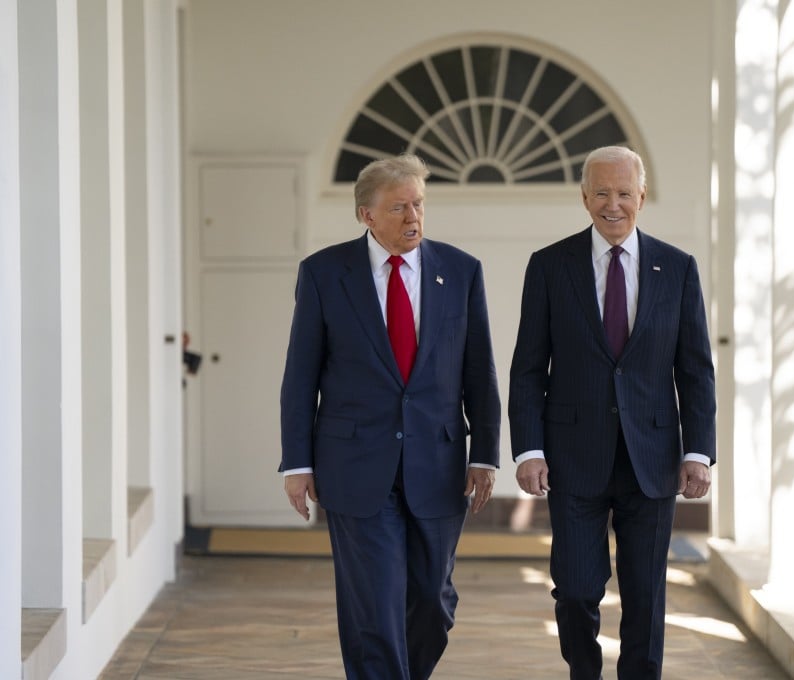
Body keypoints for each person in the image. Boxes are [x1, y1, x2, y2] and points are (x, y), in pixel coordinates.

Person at [279, 153, 501, 680]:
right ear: (366, 215)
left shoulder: (461, 271)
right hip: (354, 466)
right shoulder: (324, 274)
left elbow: (480, 372)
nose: (413, 218)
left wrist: (486, 454)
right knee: (375, 610)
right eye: (399, 207)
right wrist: (296, 463)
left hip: (439, 463)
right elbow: (300, 375)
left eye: (419, 204)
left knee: (432, 603)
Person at [509, 146, 716, 679]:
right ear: (584, 198)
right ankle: (585, 672)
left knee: (646, 597)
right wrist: (529, 448)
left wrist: (699, 452)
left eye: (624, 193)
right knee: (576, 589)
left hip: (653, 457)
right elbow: (529, 367)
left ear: (642, 197)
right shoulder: (550, 266)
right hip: (573, 457)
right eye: (601, 193)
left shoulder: (678, 269)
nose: (613, 204)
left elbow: (695, 371)